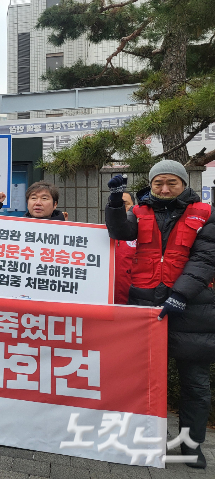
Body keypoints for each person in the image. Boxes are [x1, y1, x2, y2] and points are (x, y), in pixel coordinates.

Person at [106, 160, 215, 468]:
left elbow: (206, 258)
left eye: (172, 183)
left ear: (184, 184)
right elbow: (118, 231)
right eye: (158, 183)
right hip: (145, 304)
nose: (164, 189)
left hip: (194, 308)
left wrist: (180, 294)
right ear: (151, 185)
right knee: (144, 378)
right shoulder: (139, 211)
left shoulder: (206, 214)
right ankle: (145, 438)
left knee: (195, 382)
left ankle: (191, 447)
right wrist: (115, 202)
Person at [0, 180, 65, 220]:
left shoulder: (68, 231)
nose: (38, 203)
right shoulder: (17, 229)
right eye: (33, 198)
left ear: (55, 204)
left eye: (44, 198)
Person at [113, 191, 137, 305]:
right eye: (117, 204)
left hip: (133, 300)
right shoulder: (101, 234)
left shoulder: (141, 235)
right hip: (107, 300)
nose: (121, 208)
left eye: (125, 204)